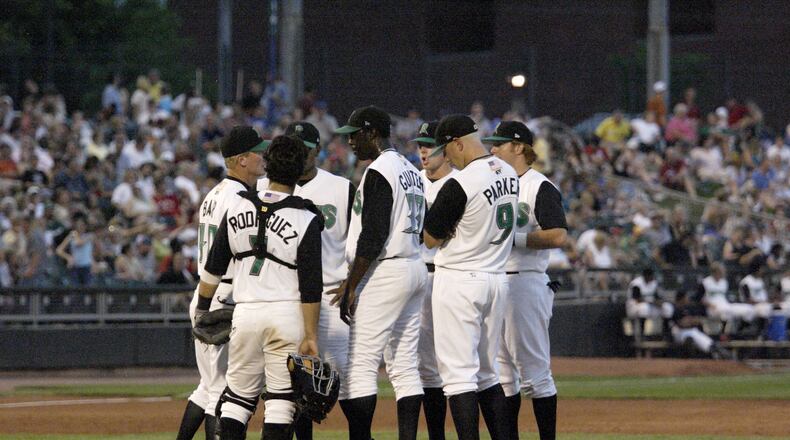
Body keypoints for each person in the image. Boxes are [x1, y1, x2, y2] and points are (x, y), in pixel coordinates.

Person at [196, 135, 323, 439]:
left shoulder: (237, 208)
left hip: (246, 313)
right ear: (300, 170)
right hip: (286, 316)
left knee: (237, 398)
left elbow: (213, 268)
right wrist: (310, 335)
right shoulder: (306, 217)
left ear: (267, 166)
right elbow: (311, 287)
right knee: (280, 401)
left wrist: (202, 308)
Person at [330, 106, 428, 440]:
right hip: (413, 265)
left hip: (387, 270)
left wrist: (351, 284)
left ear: (372, 133)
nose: (351, 142)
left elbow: (373, 236)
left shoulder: (379, 170)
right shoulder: (410, 168)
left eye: (355, 135)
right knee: (404, 367)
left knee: (359, 363)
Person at [257, 122, 355, 440]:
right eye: (294, 145)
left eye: (305, 147)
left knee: (341, 380)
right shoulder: (265, 188)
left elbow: (361, 241)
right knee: (294, 380)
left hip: (330, 293)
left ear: (316, 150)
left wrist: (353, 284)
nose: (299, 151)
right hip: (285, 296)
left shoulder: (342, 187)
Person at [423, 114, 518, 440]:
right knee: (488, 375)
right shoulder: (508, 171)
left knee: (459, 378)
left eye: (446, 150)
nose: (445, 157)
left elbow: (430, 237)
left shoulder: (460, 183)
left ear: (457, 142)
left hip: (461, 279)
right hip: (496, 277)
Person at [176, 126, 268, 440]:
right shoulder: (241, 198)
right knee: (223, 391)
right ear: (241, 160)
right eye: (257, 152)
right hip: (224, 294)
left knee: (207, 386)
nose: (262, 156)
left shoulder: (214, 194)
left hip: (207, 293)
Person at [485, 121, 567, 440]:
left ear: (519, 147)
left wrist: (516, 239)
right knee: (504, 376)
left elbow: (559, 234)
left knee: (536, 375)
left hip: (525, 282)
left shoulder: (538, 185)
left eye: (499, 144)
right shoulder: (495, 185)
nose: (492, 149)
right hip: (495, 282)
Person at [414, 120, 457, 440]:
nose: (424, 151)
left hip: (445, 275)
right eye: (420, 145)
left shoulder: (459, 184)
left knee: (454, 365)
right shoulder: (411, 181)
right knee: (421, 367)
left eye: (431, 145)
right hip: (413, 275)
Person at [671, 290, 729, 359]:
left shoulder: (690, 307)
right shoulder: (674, 308)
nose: (687, 299)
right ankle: (689, 360)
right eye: (686, 297)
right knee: (689, 339)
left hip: (692, 330)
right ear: (682, 298)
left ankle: (725, 358)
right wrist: (690, 321)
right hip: (680, 332)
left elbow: (698, 320)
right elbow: (681, 324)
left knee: (710, 344)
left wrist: (690, 321)